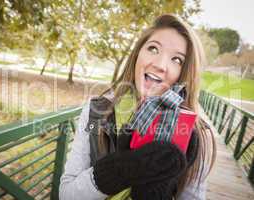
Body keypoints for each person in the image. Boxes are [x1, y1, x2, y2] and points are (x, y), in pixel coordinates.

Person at [59, 14, 216, 200]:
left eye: (177, 60)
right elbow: (67, 195)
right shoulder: (96, 111)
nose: (160, 65)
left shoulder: (193, 134)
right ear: (137, 54)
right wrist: (117, 171)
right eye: (153, 48)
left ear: (184, 73)